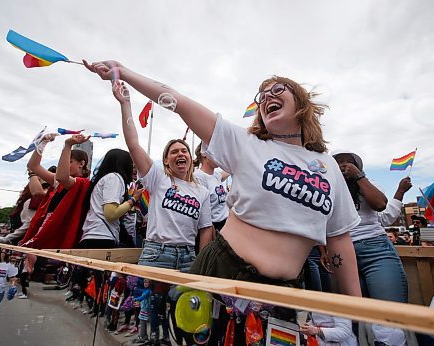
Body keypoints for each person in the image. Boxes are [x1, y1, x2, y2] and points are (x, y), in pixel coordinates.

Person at [83, 59, 361, 294]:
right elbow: (177, 101)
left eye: (277, 90)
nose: (266, 97)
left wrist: (352, 317)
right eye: (261, 97)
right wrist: (123, 72)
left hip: (282, 293)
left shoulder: (328, 166)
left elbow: (340, 241)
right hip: (223, 272)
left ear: (301, 102)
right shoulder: (247, 144)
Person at [107, 80, 212, 345]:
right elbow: (133, 144)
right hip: (157, 253)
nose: (180, 154)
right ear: (166, 161)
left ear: (191, 158)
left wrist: (201, 265)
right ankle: (154, 339)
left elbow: (206, 230)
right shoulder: (157, 178)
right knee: (154, 311)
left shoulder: (202, 191)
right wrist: (126, 104)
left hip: (188, 256)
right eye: (174, 151)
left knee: (187, 310)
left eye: (184, 151)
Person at [332, 150, 408, 345]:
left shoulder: (368, 184)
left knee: (388, 315)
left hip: (376, 249)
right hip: (343, 253)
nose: (344, 165)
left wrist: (359, 176)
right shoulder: (327, 189)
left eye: (350, 162)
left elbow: (381, 207)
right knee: (352, 319)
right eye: (338, 162)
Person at [21, 134, 91, 249]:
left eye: (69, 161)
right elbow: (33, 166)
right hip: (47, 227)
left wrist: (68, 145)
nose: (62, 165)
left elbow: (62, 177)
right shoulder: (59, 183)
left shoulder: (83, 184)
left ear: (81, 164)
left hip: (61, 232)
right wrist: (43, 143)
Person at [79, 148, 142, 249]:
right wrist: (133, 199)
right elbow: (111, 214)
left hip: (93, 236)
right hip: (101, 238)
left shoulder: (104, 179)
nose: (133, 167)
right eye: (131, 163)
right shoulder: (114, 178)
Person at [193, 143, 230, 234]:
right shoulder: (199, 177)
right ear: (204, 154)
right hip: (214, 228)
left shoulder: (215, 176)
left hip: (225, 224)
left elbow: (230, 170)